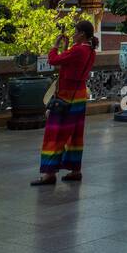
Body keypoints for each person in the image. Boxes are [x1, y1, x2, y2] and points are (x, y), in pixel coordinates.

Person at [31, 20, 97, 185]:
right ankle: (75, 170)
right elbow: (70, 62)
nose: (73, 34)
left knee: (55, 134)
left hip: (66, 97)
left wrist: (55, 45)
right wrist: (67, 46)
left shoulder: (78, 50)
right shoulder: (89, 50)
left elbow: (53, 60)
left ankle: (49, 173)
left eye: (75, 31)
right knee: (75, 134)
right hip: (79, 96)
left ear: (82, 34)